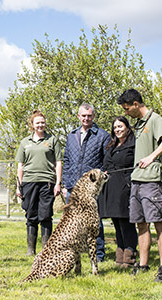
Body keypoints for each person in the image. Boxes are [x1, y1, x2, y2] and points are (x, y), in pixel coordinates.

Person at [117, 88, 162, 282]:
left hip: (152, 181)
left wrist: (151, 157)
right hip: (137, 180)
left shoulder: (154, 119)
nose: (125, 113)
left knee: (158, 223)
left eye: (127, 109)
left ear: (136, 104)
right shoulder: (138, 124)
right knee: (141, 224)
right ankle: (143, 264)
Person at [62, 103, 110, 262]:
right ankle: (73, 253)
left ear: (93, 116)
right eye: (83, 115)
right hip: (72, 186)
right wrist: (65, 183)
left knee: (94, 222)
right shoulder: (71, 136)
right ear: (78, 117)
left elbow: (106, 162)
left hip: (91, 189)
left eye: (89, 115)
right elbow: (66, 160)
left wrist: (98, 178)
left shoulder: (102, 136)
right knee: (71, 222)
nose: (86, 118)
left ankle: (99, 255)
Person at [16, 110, 63, 256]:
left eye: (42, 122)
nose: (40, 125)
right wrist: (19, 186)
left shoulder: (52, 140)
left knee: (45, 215)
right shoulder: (25, 142)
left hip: (47, 182)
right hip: (29, 182)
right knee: (31, 215)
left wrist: (58, 183)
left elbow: (58, 162)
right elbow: (20, 166)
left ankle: (46, 250)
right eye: (37, 123)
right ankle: (31, 250)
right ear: (32, 125)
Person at [98, 116, 138, 269]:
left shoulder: (133, 145)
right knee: (116, 223)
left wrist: (129, 181)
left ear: (127, 127)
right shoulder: (111, 145)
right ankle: (120, 255)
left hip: (125, 187)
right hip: (111, 188)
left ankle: (129, 255)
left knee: (126, 223)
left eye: (120, 126)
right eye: (115, 127)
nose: (118, 129)